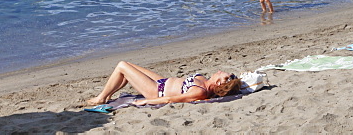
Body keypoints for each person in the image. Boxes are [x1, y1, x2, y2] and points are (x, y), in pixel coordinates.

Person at [87, 62, 240, 106]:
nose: (219, 70)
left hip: (156, 91)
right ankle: (107, 95)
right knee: (129, 67)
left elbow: (169, 100)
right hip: (162, 81)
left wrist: (146, 100)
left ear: (220, 81)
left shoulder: (199, 91)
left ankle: (101, 98)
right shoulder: (203, 80)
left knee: (122, 66)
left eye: (223, 73)